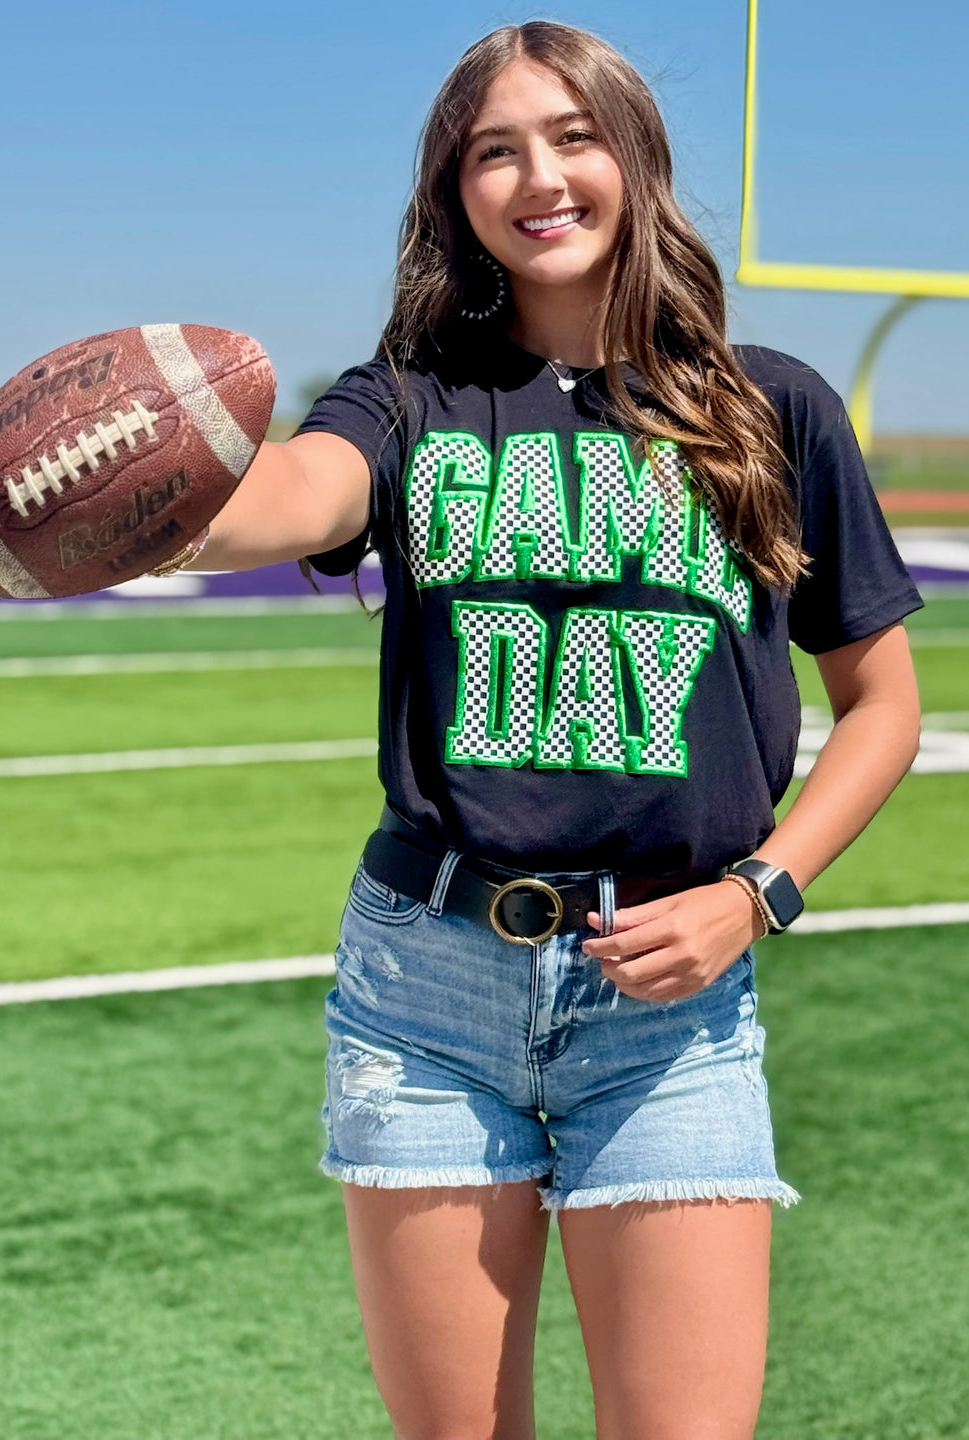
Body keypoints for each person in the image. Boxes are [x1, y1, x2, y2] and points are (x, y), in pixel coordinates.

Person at [172, 21, 923, 1440]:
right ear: (454, 192)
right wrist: (143, 507)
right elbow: (295, 500)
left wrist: (760, 895)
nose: (539, 175)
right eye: (493, 149)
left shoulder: (775, 408)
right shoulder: (405, 397)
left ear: (633, 162)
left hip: (675, 1006)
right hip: (428, 992)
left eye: (574, 136)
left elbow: (882, 708)